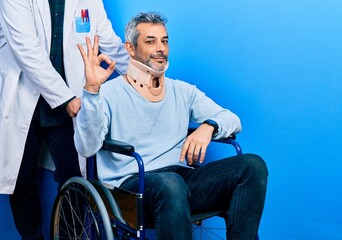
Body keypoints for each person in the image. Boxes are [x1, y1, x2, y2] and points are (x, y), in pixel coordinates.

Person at [75, 12, 268, 240]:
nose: (161, 48)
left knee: (253, 166)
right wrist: (92, 91)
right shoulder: (108, 93)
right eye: (151, 41)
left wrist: (208, 127)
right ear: (130, 48)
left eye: (164, 41)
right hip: (130, 188)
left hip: (179, 182)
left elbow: (232, 120)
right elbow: (87, 147)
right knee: (170, 183)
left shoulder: (182, 91)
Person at [0, 0, 129, 239]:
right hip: (25, 95)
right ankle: (32, 237)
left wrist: (144, 77)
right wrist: (65, 98)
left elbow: (109, 43)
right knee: (21, 180)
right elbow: (25, 49)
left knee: (74, 178)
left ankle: (69, 236)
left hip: (67, 101)